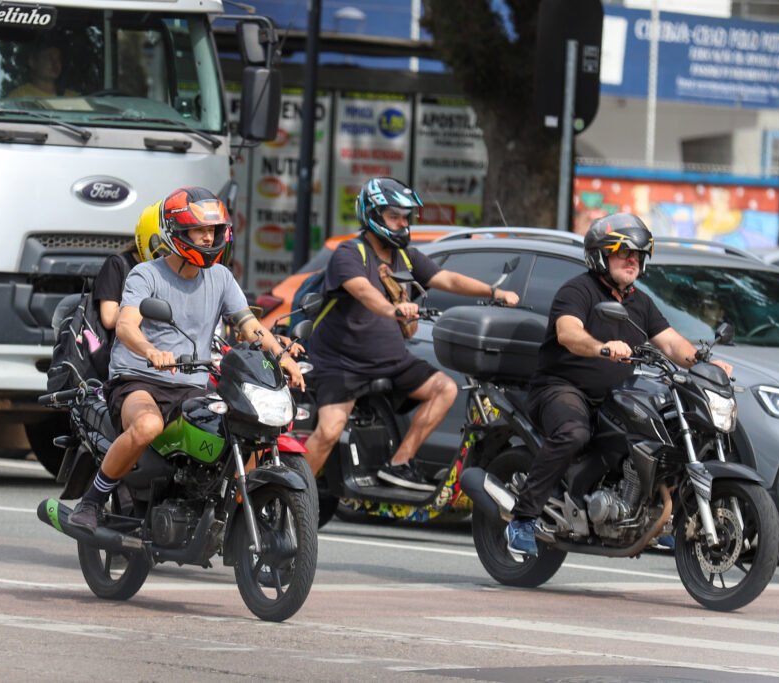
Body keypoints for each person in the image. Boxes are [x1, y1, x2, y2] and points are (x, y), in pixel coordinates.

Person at [68, 187, 304, 532]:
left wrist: (282, 357)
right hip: (140, 379)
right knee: (148, 426)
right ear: (178, 233)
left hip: (194, 385)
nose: (209, 238)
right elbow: (125, 325)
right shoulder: (146, 274)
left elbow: (249, 325)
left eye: (214, 230)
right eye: (199, 230)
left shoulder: (221, 277)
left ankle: (224, 510)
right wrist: (151, 351)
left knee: (243, 430)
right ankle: (91, 501)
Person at [505, 213, 734, 557]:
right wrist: (602, 347)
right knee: (573, 432)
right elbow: (568, 333)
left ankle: (653, 515)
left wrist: (705, 364)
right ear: (600, 255)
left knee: (662, 433)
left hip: (614, 396)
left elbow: (671, 344)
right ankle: (522, 518)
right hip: (562, 388)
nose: (632, 260)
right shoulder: (578, 290)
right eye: (623, 253)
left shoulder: (639, 302)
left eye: (637, 255)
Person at [302, 177, 519, 491]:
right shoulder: (350, 254)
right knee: (329, 432)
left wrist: (495, 292)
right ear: (373, 215)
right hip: (343, 363)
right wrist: (394, 310)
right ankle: (294, 496)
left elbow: (448, 279)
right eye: (394, 216)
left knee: (444, 388)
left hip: (392, 361)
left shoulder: (405, 256)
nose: (402, 224)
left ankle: (399, 464)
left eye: (406, 217)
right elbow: (363, 292)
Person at [8, 43, 78, 98]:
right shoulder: (19, 97)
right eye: (49, 57)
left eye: (58, 59)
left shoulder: (74, 98)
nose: (55, 63)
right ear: (32, 62)